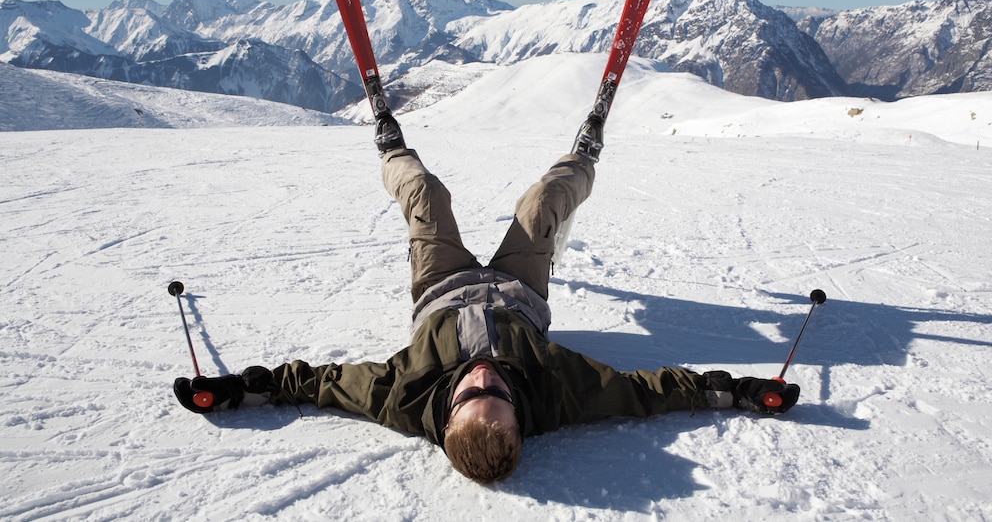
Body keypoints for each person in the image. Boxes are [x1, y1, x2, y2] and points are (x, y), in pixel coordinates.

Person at [174, 112, 800, 483]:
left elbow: (311, 383)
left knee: (424, 194)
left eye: (472, 396)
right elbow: (651, 393)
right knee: (542, 203)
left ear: (445, 419)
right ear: (520, 416)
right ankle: (586, 154)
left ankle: (390, 145)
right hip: (519, 290)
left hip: (441, 286)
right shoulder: (558, 393)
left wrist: (238, 389)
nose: (483, 380)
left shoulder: (402, 395)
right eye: (499, 397)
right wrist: (739, 390)